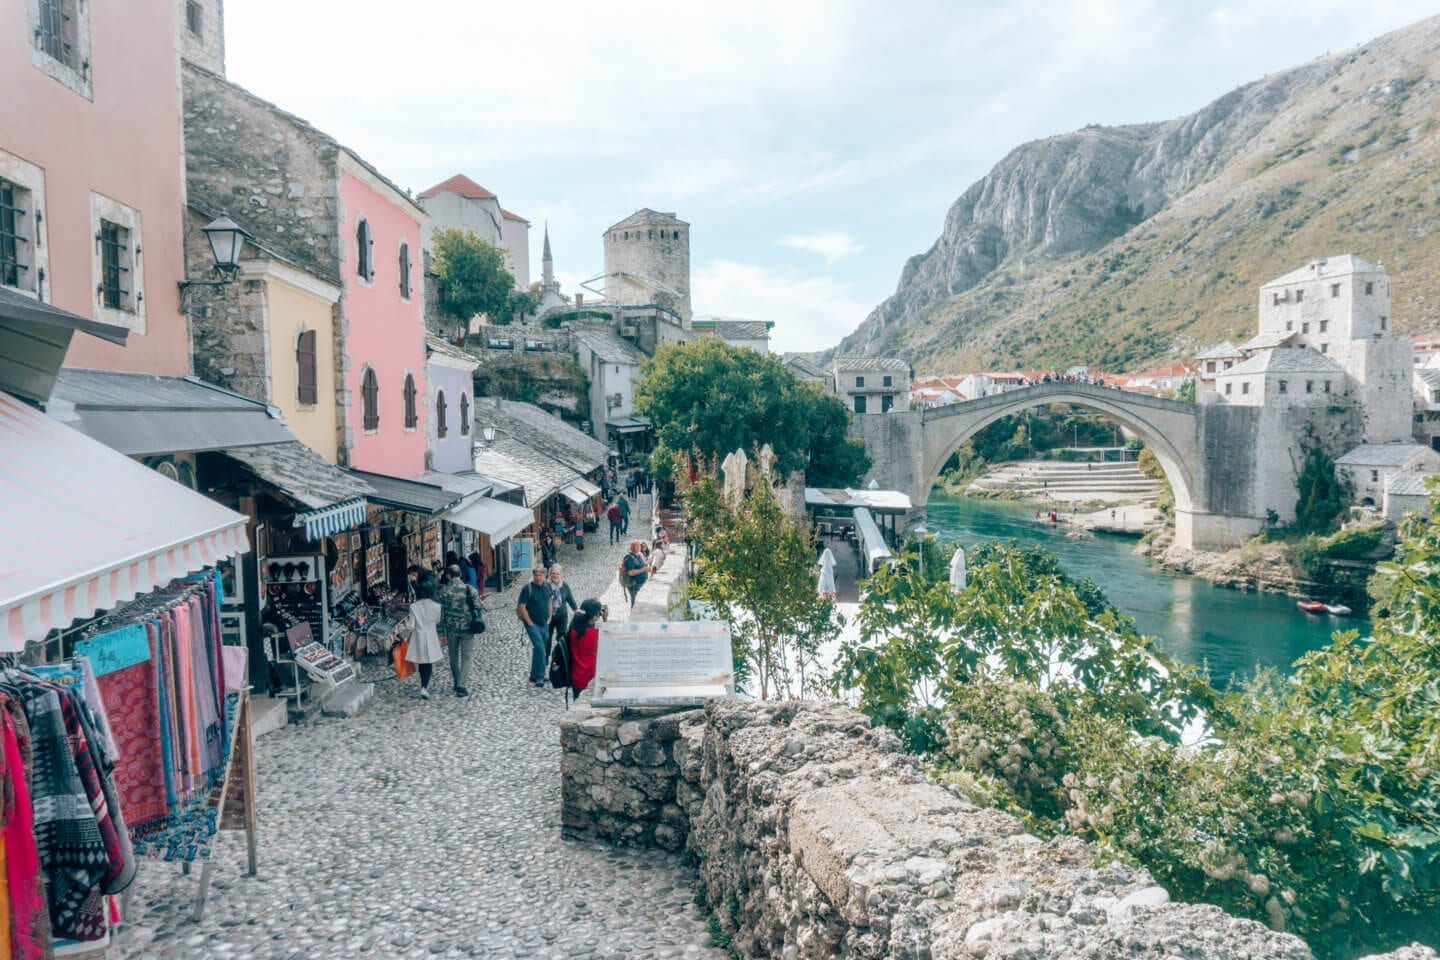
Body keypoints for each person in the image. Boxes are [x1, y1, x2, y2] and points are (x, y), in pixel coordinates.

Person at [436, 564, 482, 697]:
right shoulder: (470, 589)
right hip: (468, 628)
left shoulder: (444, 591)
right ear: (460, 575)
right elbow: (477, 606)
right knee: (467, 657)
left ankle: (456, 681)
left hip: (451, 629)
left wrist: (441, 633)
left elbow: (441, 614)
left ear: (448, 576)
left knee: (453, 657)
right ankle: (462, 685)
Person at [399, 580, 443, 698]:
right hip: (431, 635)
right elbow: (437, 621)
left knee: (422, 662)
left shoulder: (414, 607)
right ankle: (424, 686)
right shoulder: (437, 606)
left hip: (419, 636)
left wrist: (402, 635)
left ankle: (423, 685)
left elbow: (411, 625)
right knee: (428, 662)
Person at [517, 566, 554, 688]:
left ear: (544, 576)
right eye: (536, 575)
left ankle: (533, 674)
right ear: (533, 576)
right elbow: (521, 606)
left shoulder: (547, 587)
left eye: (540, 575)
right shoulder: (527, 589)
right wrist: (529, 622)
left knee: (539, 649)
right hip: (532, 624)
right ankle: (540, 677)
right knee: (540, 648)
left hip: (544, 623)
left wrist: (549, 617)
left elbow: (549, 601)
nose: (538, 578)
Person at [565, 598, 604, 698]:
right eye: (599, 613)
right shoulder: (594, 634)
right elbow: (608, 644)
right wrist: (605, 620)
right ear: (594, 616)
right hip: (590, 677)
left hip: (576, 677)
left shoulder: (573, 630)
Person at [547, 564, 578, 655]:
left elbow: (570, 599)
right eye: (553, 573)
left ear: (561, 575)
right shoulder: (545, 586)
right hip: (548, 616)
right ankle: (545, 657)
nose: (555, 575)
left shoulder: (564, 586)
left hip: (562, 615)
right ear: (550, 574)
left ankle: (560, 655)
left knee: (561, 637)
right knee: (547, 637)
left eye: (557, 573)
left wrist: (576, 610)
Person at [620, 539, 649, 609]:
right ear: (632, 547)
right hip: (634, 585)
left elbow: (644, 564)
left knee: (640, 603)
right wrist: (643, 569)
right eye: (637, 546)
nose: (639, 547)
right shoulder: (628, 557)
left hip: (641, 583)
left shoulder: (639, 554)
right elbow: (631, 573)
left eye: (639, 545)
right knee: (635, 604)